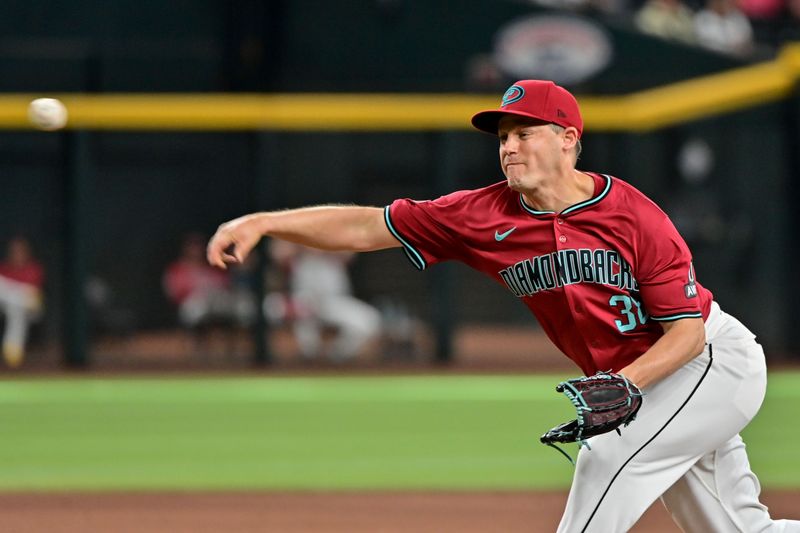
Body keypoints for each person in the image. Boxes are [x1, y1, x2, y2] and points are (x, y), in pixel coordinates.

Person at [206, 80, 799, 532]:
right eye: (504, 136)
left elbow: (686, 335)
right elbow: (365, 227)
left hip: (709, 363)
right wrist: (263, 222)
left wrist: (625, 386)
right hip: (647, 382)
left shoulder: (634, 214)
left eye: (526, 132)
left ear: (569, 139)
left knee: (607, 456)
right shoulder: (479, 214)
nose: (510, 146)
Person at [266, 240, 381, 362]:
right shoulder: (296, 228)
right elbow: (279, 253)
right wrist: (302, 244)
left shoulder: (335, 230)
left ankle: (335, 358)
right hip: (304, 300)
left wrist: (324, 244)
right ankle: (308, 360)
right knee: (271, 308)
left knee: (370, 320)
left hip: (334, 300)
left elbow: (350, 254)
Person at [163, 233, 254, 334]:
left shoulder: (210, 268)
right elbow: (174, 293)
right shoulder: (177, 269)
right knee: (195, 308)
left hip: (214, 301)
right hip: (191, 304)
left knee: (243, 306)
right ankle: (193, 343)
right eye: (193, 245)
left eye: (198, 246)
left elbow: (226, 287)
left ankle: (245, 338)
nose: (196, 249)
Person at [0, 236, 44, 368]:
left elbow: (32, 294)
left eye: (20, 251)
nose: (17, 254)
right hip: (8, 306)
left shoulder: (33, 269)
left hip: (32, 308)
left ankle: (13, 352)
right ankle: (13, 353)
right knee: (15, 309)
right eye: (14, 251)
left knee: (18, 307)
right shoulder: (4, 268)